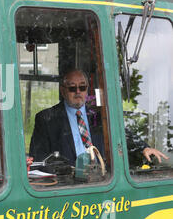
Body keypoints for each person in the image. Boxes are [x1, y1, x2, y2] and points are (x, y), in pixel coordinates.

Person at [29, 69, 169, 166]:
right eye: (72, 88)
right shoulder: (46, 118)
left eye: (82, 87)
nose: (78, 92)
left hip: (102, 180)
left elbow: (122, 133)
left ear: (87, 89)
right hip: (66, 186)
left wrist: (143, 148)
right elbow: (39, 158)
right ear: (63, 90)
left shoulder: (99, 115)